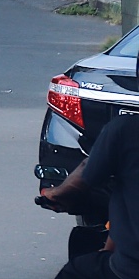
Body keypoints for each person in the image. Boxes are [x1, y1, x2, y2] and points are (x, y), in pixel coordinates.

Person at [41, 112, 139, 279]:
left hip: (130, 268)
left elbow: (85, 175)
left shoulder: (126, 128)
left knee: (75, 271)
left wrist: (55, 193)